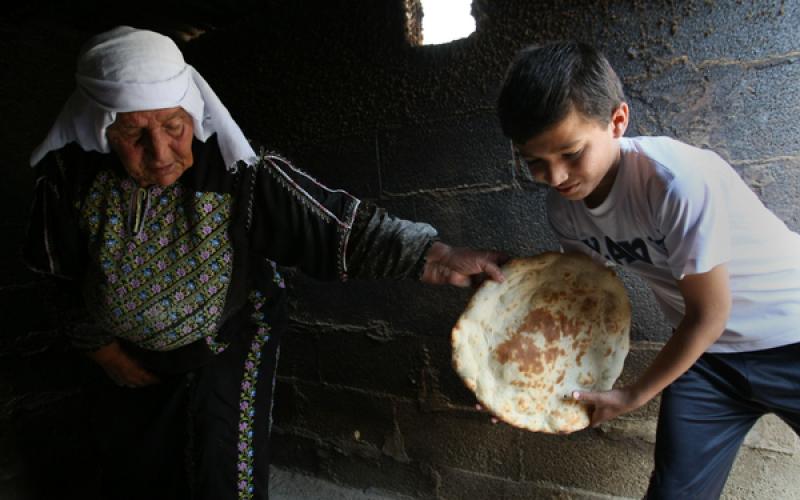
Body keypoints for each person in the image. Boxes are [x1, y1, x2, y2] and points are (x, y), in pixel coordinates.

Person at [23, 26, 506, 500]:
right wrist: (103, 351)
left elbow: (332, 223)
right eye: (134, 135)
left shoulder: (236, 171)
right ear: (100, 127)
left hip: (227, 339)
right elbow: (53, 274)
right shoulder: (68, 180)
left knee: (222, 474)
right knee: (143, 470)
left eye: (174, 126)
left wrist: (435, 256)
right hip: (127, 352)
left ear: (192, 110)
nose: (162, 152)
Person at [497, 41, 800, 499]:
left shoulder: (676, 181)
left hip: (788, 335)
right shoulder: (566, 210)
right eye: (536, 163)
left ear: (618, 121)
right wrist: (520, 387)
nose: (556, 177)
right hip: (710, 361)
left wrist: (632, 395)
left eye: (572, 153)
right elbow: (586, 306)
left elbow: (710, 313)